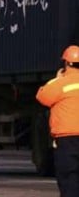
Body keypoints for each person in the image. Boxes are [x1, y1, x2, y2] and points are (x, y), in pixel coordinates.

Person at [37, 45, 79, 197]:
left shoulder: (60, 84)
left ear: (66, 63)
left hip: (66, 140)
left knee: (68, 178)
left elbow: (42, 96)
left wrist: (57, 78)